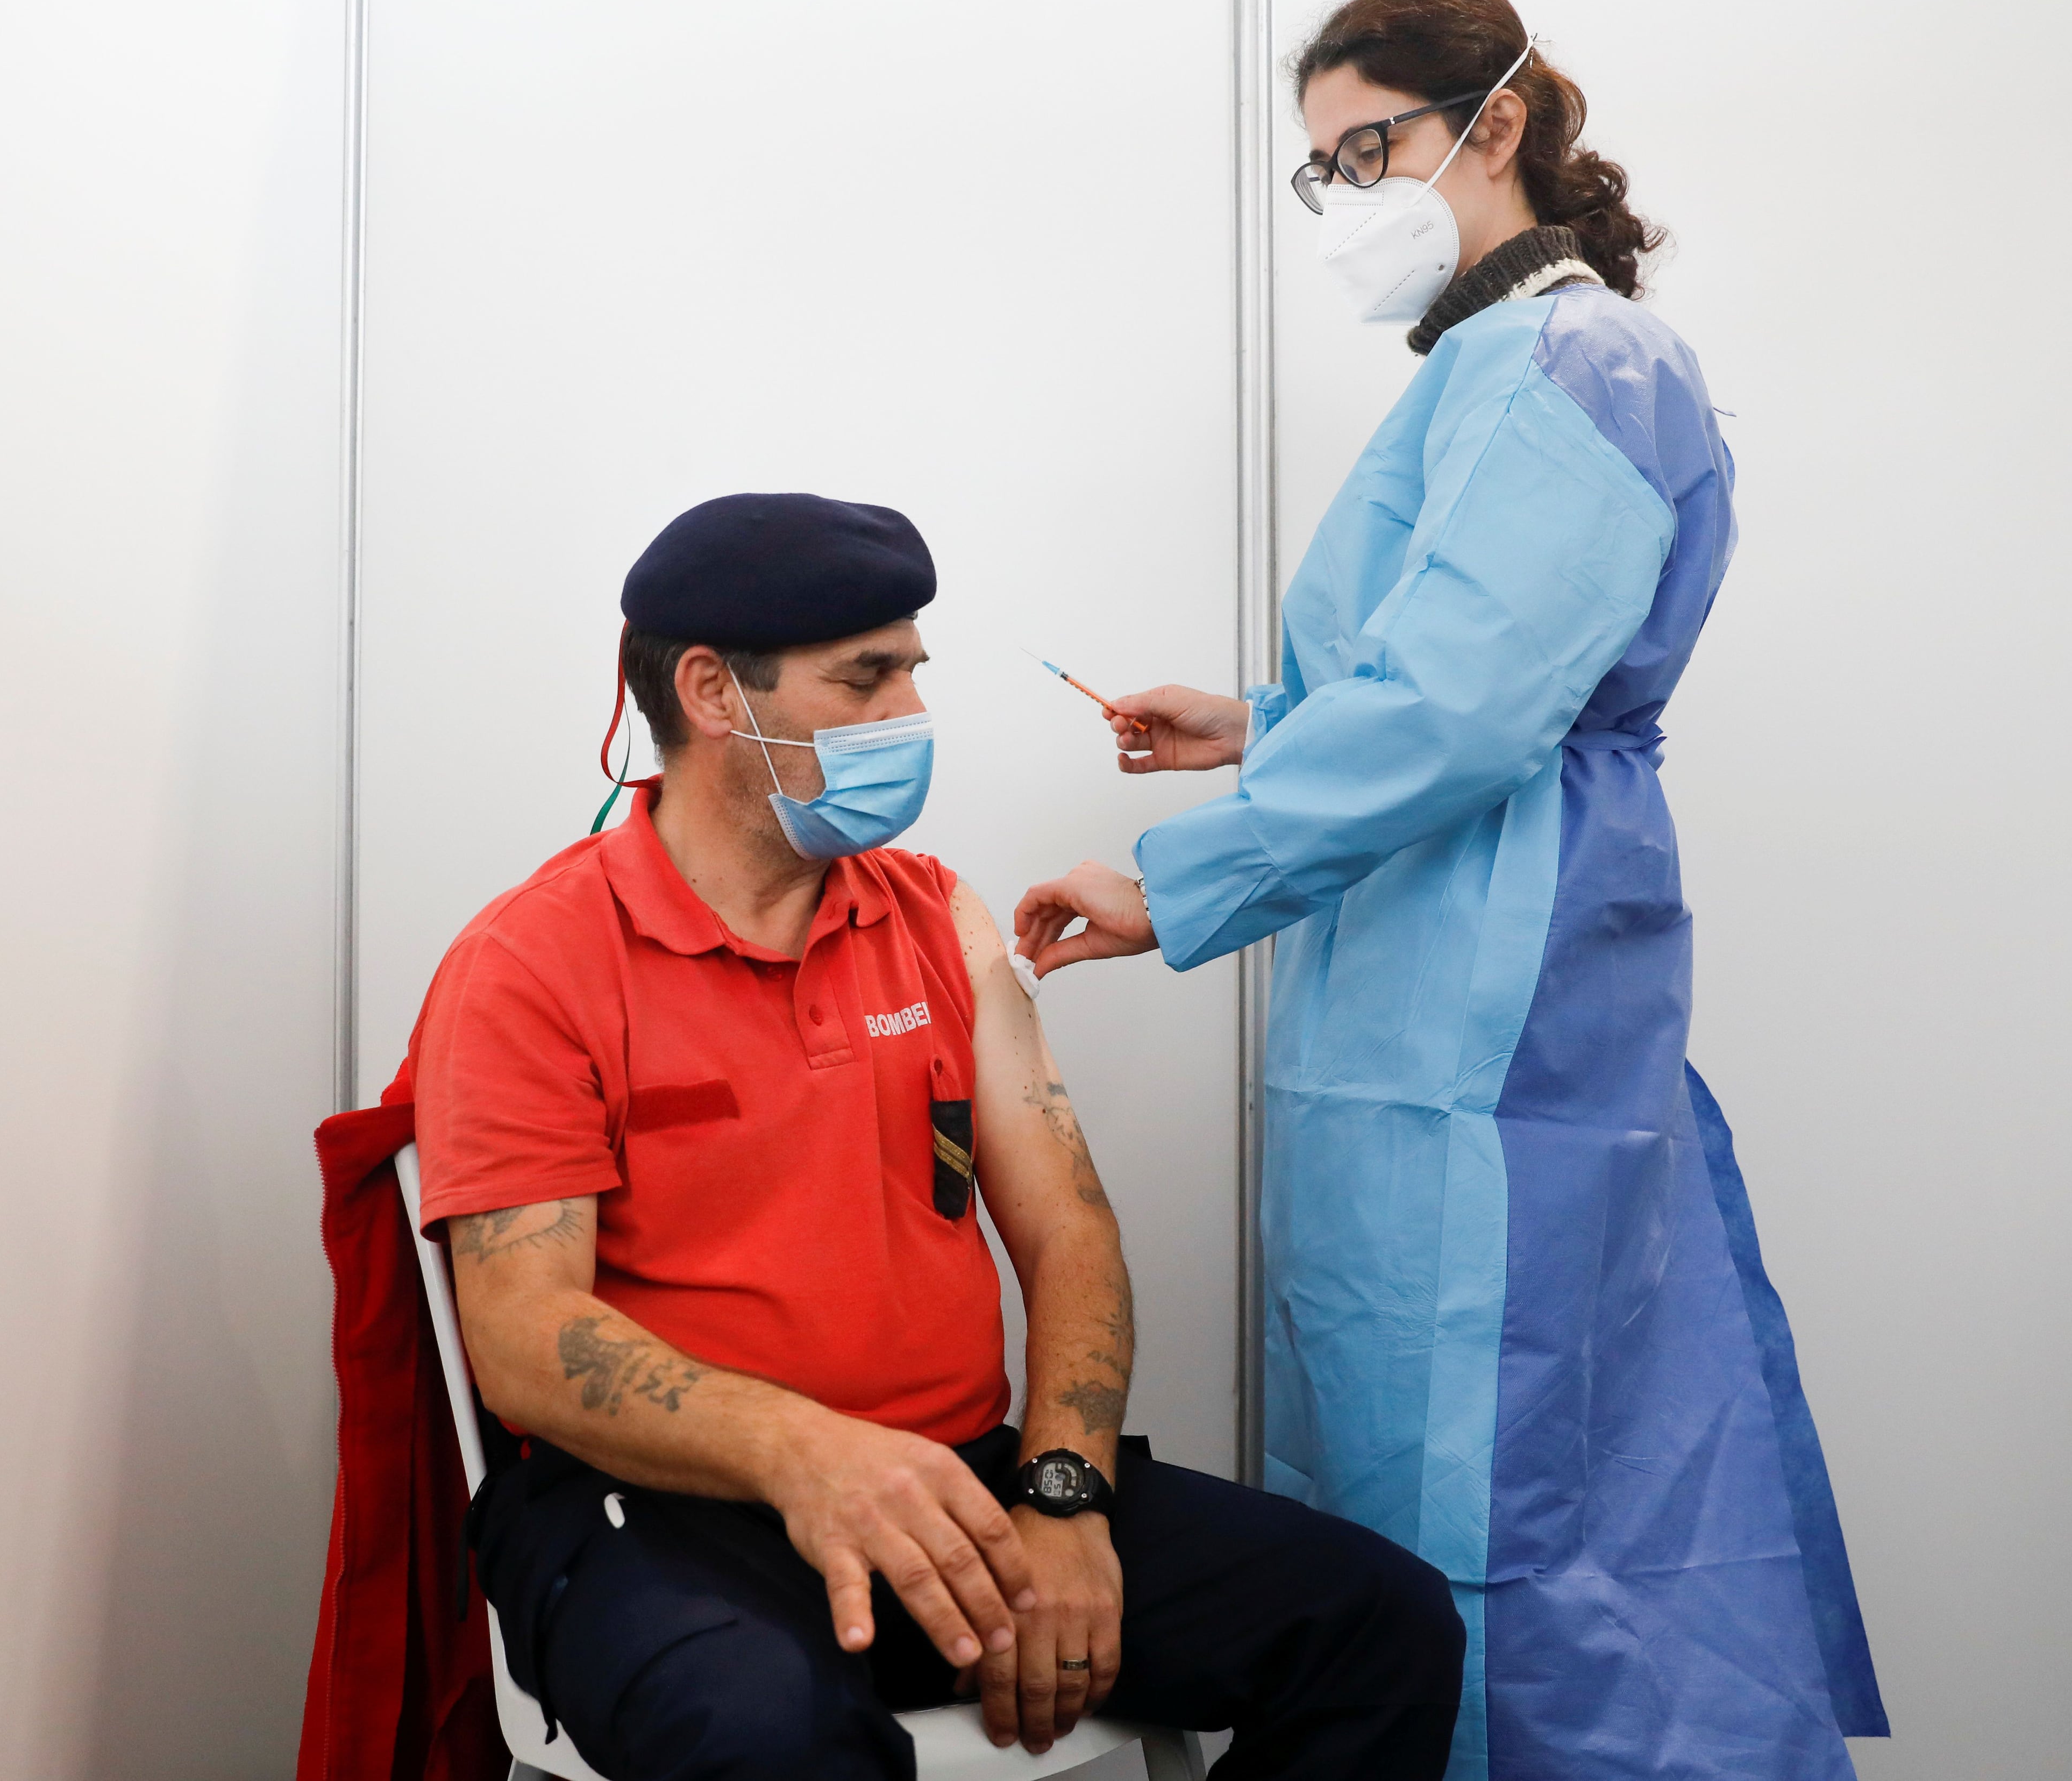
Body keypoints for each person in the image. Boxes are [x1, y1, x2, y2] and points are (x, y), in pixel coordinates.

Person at [1009, 0, 1889, 1779]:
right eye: (1319, 167)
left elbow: (1473, 710)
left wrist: (1176, 889)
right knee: (1406, 1482)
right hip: (1413, 1010)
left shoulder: (1591, 363)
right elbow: (1447, 679)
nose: (1344, 197)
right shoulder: (1486, 371)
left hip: (1499, 1035)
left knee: (1520, 1505)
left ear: (1494, 129)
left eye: (1370, 152)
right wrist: (1258, 722)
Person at [407, 492, 1465, 1781]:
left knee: (1379, 1624)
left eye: (912, 672)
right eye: (865, 677)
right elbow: (521, 1336)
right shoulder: (531, 963)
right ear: (707, 689)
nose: (908, 716)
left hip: (961, 1486)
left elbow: (1067, 1223)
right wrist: (812, 1455)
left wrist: (1062, 1492)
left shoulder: (935, 917)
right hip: (671, 1518)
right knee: (767, 1737)